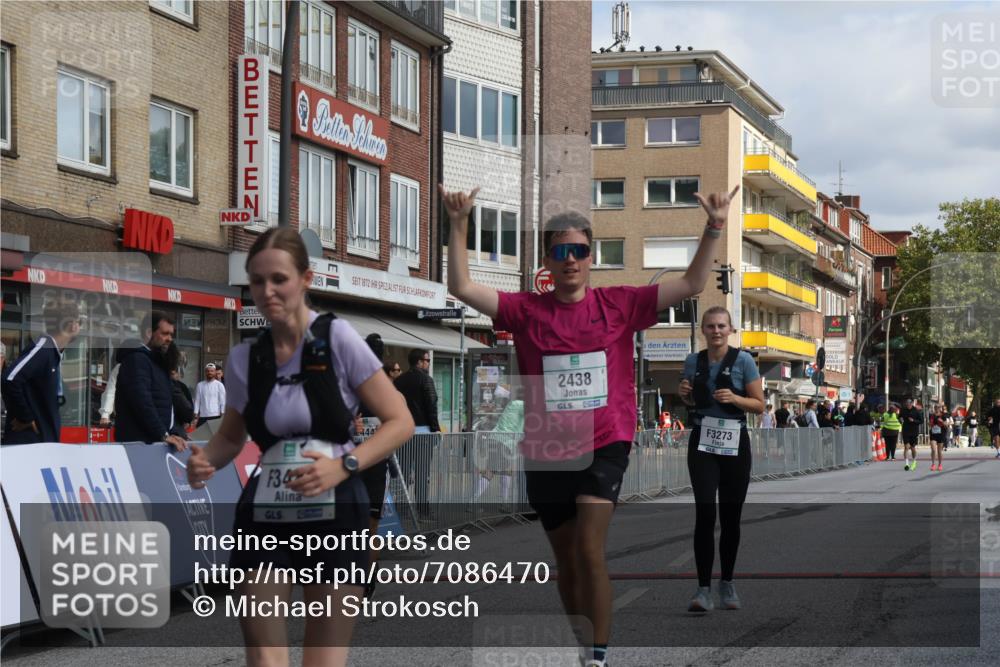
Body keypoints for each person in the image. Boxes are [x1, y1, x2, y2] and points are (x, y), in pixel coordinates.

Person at [441, 180, 739, 667]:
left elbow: (689, 284)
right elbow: (461, 287)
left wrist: (714, 226)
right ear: (548, 260)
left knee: (588, 547)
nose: (571, 259)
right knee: (566, 561)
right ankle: (585, 646)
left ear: (590, 255)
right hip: (546, 447)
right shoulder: (524, 310)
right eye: (561, 252)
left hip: (605, 440)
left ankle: (598, 658)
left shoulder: (618, 304)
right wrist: (458, 225)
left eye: (580, 250)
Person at [186, 227, 414, 667]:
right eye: (257, 281)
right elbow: (231, 438)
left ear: (305, 279)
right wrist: (204, 460)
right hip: (266, 512)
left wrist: (344, 464)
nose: (267, 291)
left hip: (335, 510)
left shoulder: (338, 338)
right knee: (264, 654)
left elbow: (400, 420)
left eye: (279, 279)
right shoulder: (244, 359)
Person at [679, 307, 765, 612]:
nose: (716, 331)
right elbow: (691, 400)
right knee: (704, 513)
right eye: (710, 326)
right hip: (703, 441)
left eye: (721, 326)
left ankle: (727, 583)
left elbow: (759, 406)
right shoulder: (693, 361)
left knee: (730, 518)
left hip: (734, 442)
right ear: (703, 330)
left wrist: (735, 398)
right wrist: (685, 393)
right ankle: (702, 590)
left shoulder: (742, 361)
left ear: (730, 329)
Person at [2, 297, 82, 444]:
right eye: (79, 322)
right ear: (72, 325)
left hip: (42, 444)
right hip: (29, 445)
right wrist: (25, 417)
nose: (80, 327)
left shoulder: (52, 352)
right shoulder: (43, 349)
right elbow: (10, 378)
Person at [114, 312, 188, 450]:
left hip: (155, 443)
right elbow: (142, 402)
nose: (170, 339)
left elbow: (164, 404)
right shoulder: (137, 360)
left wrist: (173, 432)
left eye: (171, 334)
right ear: (149, 332)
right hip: (139, 445)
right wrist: (163, 434)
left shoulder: (157, 362)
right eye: (165, 333)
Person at [394, 347, 441, 518]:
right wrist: (435, 429)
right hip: (423, 432)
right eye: (427, 360)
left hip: (403, 432)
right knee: (422, 473)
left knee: (404, 472)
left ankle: (402, 510)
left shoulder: (399, 381)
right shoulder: (426, 379)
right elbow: (431, 405)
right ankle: (423, 510)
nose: (428, 363)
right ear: (420, 362)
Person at [193, 362, 227, 427]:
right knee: (201, 436)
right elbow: (197, 401)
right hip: (203, 416)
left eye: (212, 371)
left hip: (215, 415)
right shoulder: (200, 385)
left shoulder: (220, 385)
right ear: (205, 372)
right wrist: (195, 415)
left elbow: (223, 401)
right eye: (208, 371)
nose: (210, 372)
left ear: (215, 372)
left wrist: (222, 414)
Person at [899, 397, 921, 471]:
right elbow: (899, 417)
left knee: (912, 448)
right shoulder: (903, 410)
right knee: (906, 447)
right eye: (907, 403)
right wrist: (900, 419)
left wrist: (913, 420)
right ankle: (907, 464)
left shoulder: (916, 411)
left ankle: (914, 462)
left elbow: (921, 421)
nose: (908, 404)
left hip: (914, 431)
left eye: (909, 403)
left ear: (912, 403)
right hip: (905, 430)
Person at [928, 404, 947, 471]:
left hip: (941, 434)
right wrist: (930, 424)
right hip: (933, 434)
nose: (937, 409)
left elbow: (946, 425)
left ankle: (940, 465)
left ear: (940, 408)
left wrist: (941, 421)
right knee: (933, 449)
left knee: (939, 451)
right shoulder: (932, 415)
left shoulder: (943, 415)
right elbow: (929, 424)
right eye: (935, 407)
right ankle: (933, 464)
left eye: (938, 407)